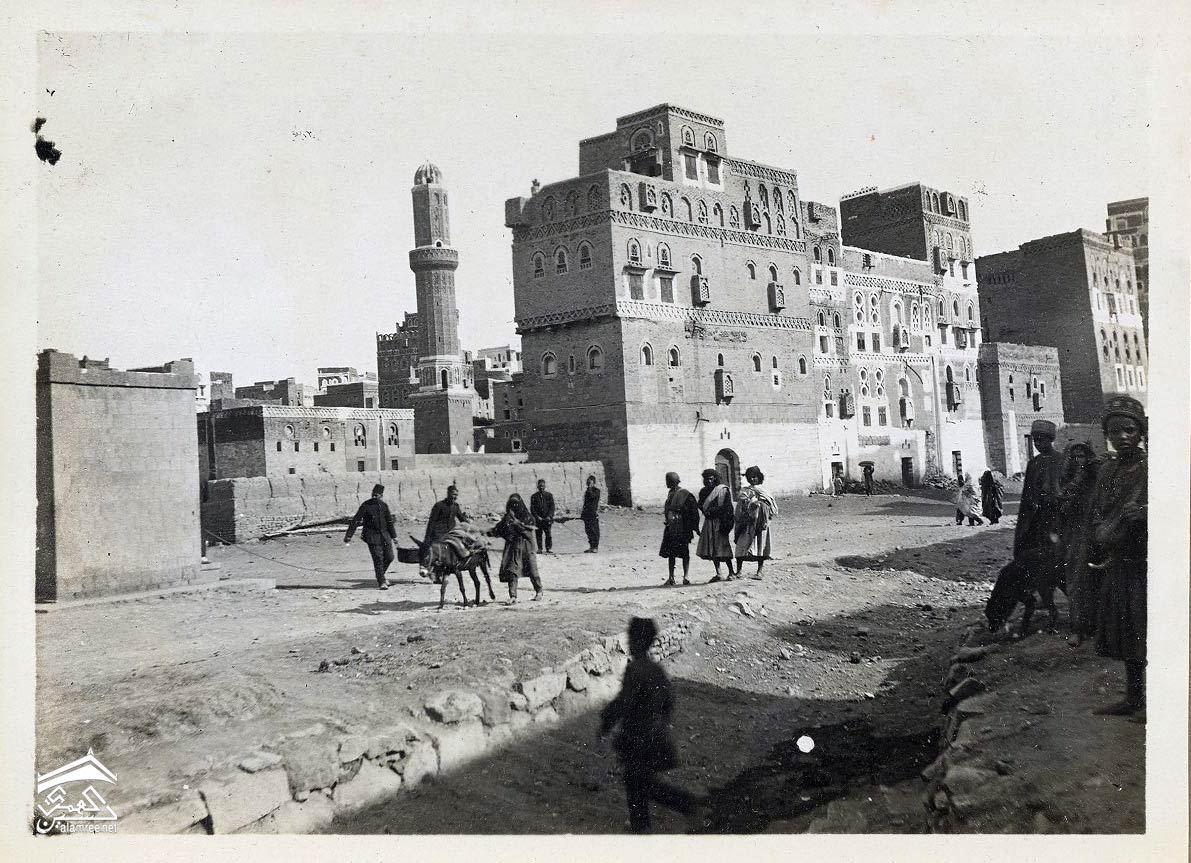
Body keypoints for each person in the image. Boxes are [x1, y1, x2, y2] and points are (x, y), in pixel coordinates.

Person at [599, 617, 704, 834]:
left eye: (631, 638)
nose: (629, 642)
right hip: (655, 735)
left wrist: (607, 720)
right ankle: (678, 809)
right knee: (641, 783)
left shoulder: (635, 669)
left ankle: (674, 811)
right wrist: (660, 721)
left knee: (637, 785)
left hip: (638, 737)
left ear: (636, 642)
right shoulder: (656, 669)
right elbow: (669, 700)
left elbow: (623, 702)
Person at [1088, 396, 1147, 719]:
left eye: (1129, 430)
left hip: (1147, 560)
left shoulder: (1152, 467)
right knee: (1128, 630)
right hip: (1118, 558)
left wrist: (1145, 513)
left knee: (1152, 629)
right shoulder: (1107, 470)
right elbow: (1098, 509)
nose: (1122, 437)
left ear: (1140, 432)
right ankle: (1134, 698)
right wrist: (1103, 530)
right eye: (1114, 431)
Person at [1014, 419, 1064, 594]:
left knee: (1055, 553)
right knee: (1036, 553)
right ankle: (1043, 591)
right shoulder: (1033, 463)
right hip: (1037, 518)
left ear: (1050, 440)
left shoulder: (1061, 460)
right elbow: (1028, 493)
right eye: (1035, 440)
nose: (1037, 444)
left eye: (1041, 440)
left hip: (1055, 517)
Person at [1059, 442, 1102, 644]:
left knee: (1097, 579)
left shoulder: (1095, 477)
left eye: (1082, 456)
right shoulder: (1068, 481)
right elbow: (1062, 507)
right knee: (1076, 581)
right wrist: (1075, 486)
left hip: (1096, 534)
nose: (1079, 461)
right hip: (1076, 536)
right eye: (1075, 457)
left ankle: (1098, 625)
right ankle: (1078, 628)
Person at [486, 493, 542, 604]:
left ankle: (539, 591)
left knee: (532, 569)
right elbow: (499, 529)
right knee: (512, 571)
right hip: (513, 547)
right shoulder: (508, 517)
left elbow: (528, 532)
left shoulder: (528, 517)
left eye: (516, 503)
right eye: (512, 503)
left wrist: (517, 523)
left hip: (526, 547)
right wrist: (487, 532)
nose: (514, 506)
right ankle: (513, 596)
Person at [344, 483, 397, 590]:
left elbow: (389, 522)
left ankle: (380, 575)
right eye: (373, 494)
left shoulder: (384, 506)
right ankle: (381, 581)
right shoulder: (366, 505)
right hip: (371, 536)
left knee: (390, 557)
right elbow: (356, 520)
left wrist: (394, 537)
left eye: (377, 495)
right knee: (378, 558)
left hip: (385, 536)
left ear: (381, 496)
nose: (374, 496)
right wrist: (349, 535)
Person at [734, 466, 778, 579]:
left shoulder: (765, 491)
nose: (753, 479)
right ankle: (738, 571)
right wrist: (749, 505)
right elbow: (740, 506)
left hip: (760, 523)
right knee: (741, 545)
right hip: (747, 523)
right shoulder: (745, 490)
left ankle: (759, 571)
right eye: (750, 477)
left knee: (760, 546)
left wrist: (761, 507)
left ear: (759, 477)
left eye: (755, 477)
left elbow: (772, 506)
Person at [658, 472, 700, 586]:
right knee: (671, 553)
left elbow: (693, 511)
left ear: (674, 482)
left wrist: (694, 527)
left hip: (682, 527)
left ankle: (686, 576)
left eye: (668, 481)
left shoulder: (685, 494)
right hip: (671, 527)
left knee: (684, 552)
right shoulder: (670, 493)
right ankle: (671, 577)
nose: (667, 483)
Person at [695, 469, 736, 582]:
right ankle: (719, 573)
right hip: (709, 522)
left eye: (711, 479)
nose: (708, 481)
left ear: (715, 479)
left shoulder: (722, 490)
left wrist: (715, 511)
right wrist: (705, 511)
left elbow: (727, 507)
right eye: (706, 479)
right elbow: (700, 504)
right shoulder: (703, 491)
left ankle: (731, 572)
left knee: (723, 547)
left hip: (720, 522)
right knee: (712, 548)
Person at [530, 478, 556, 555]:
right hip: (538, 520)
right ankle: (540, 548)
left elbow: (552, 507)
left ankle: (548, 548)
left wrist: (549, 516)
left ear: (545, 486)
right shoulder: (534, 496)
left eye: (542, 486)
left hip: (547, 519)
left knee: (548, 534)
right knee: (538, 534)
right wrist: (537, 517)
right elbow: (532, 509)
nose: (541, 487)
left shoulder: (549, 495)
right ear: (537, 486)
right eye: (540, 486)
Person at [581, 474, 601, 553]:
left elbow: (593, 496)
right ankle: (591, 547)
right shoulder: (587, 491)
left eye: (590, 482)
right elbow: (585, 503)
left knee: (594, 530)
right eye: (588, 482)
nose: (588, 484)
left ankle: (595, 547)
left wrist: (589, 488)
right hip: (587, 513)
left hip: (593, 513)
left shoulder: (597, 491)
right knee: (588, 530)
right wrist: (583, 513)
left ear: (594, 483)